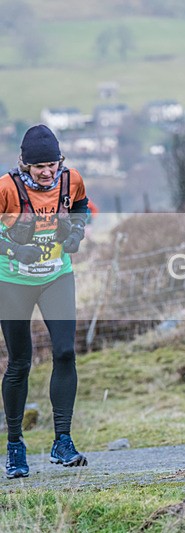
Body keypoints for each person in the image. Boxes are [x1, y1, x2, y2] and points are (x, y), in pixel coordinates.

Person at [1, 125, 91, 478]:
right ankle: (14, 446)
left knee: (66, 352)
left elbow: (83, 207)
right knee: (20, 362)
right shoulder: (7, 188)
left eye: (52, 163)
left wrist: (77, 233)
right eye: (39, 166)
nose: (47, 171)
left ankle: (63, 441)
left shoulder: (71, 181)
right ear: (25, 163)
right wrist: (12, 248)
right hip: (12, 282)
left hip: (57, 277)